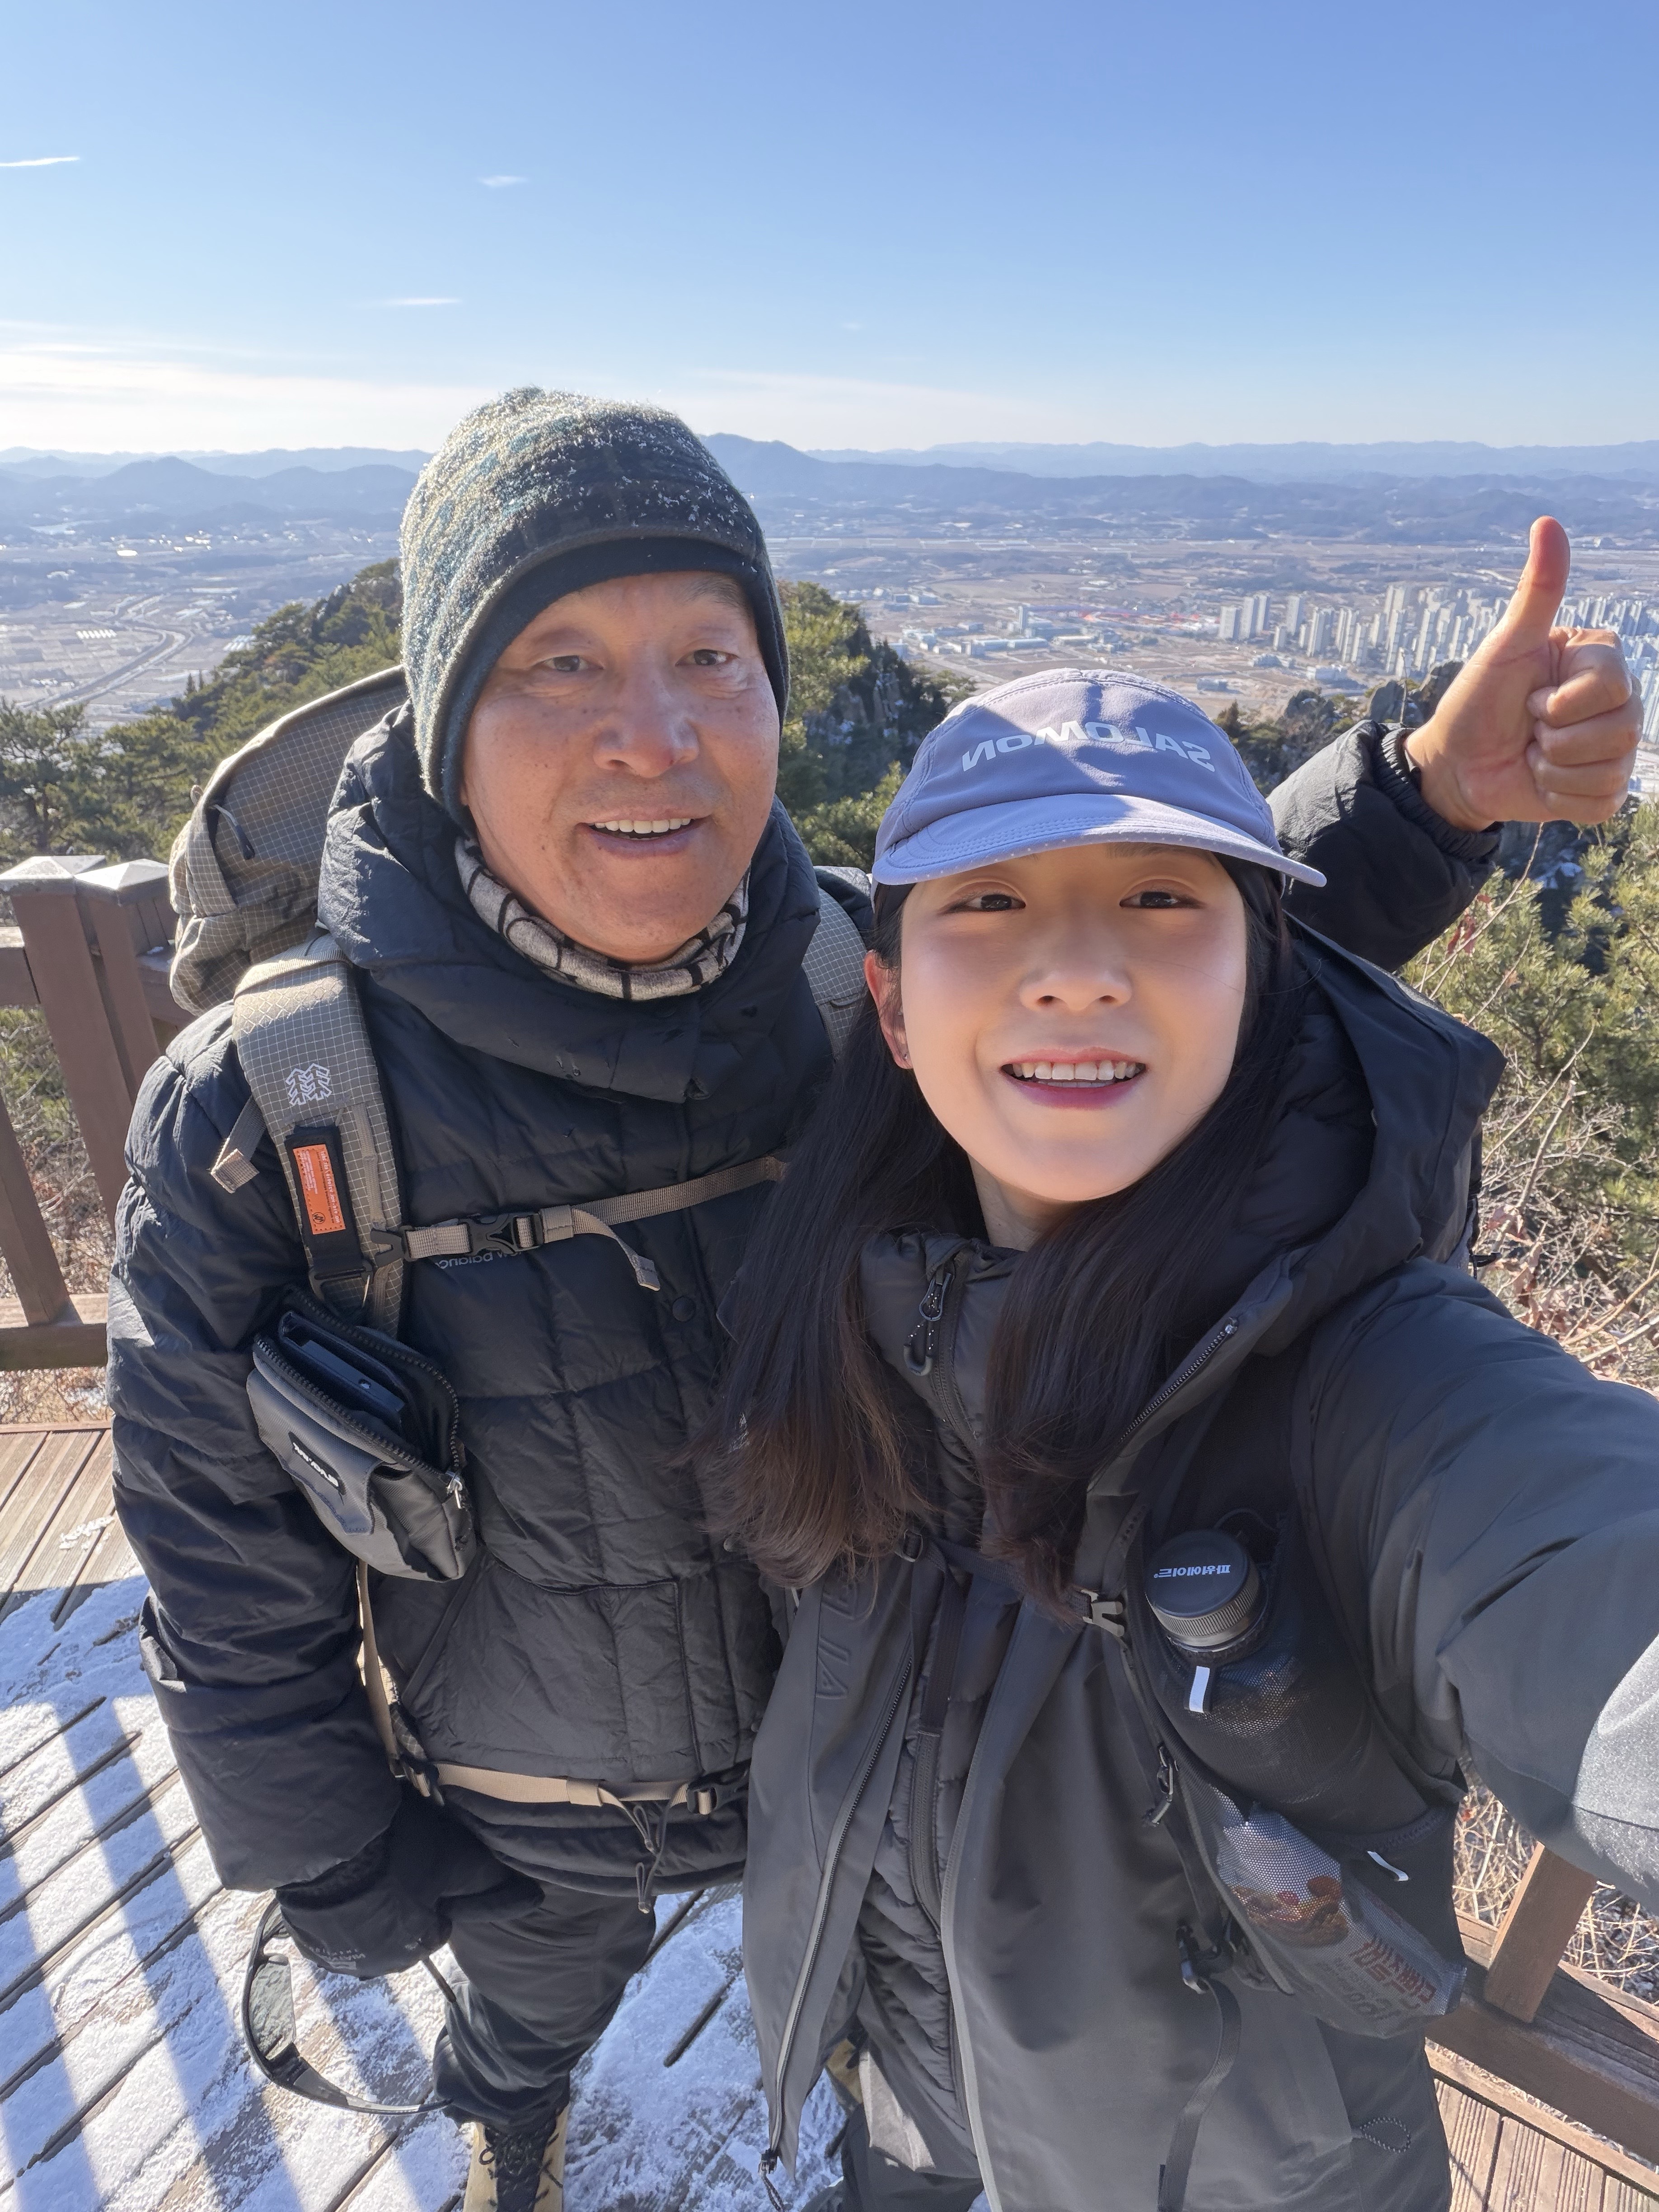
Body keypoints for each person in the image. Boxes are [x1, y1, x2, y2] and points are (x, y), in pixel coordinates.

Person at [107, 384, 1638, 2212]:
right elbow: (214, 1536)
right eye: (556, 666)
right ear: (442, 723)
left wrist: (1417, 802)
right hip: (529, 1803)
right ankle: (512, 2121)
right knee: (525, 2012)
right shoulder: (275, 1102)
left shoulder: (839, 974)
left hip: (841, 1750)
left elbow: (1104, 973)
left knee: (873, 2029)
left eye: (711, 656)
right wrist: (334, 1859)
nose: (654, 735)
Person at [711, 665, 1659, 2212]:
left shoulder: (1369, 1380)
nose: (1079, 972)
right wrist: (1418, 795)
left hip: (1250, 2175)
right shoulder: (850, 1302)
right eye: (989, 904)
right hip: (909, 2093)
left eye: (1161, 898)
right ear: (889, 1006)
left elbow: (1577, 1561)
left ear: (1264, 979)